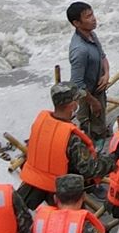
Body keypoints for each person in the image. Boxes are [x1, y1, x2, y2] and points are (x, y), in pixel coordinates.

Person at [13, 82, 102, 210]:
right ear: (72, 105)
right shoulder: (71, 137)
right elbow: (88, 169)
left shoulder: (41, 123)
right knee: (74, 225)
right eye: (77, 100)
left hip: (34, 181)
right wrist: (110, 162)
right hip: (62, 191)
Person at [66, 1, 108, 139]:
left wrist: (106, 74)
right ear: (76, 23)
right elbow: (77, 85)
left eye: (92, 14)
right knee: (89, 131)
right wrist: (93, 102)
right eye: (88, 17)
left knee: (100, 124)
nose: (94, 18)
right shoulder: (80, 50)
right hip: (87, 97)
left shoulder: (91, 35)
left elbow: (102, 56)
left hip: (98, 88)